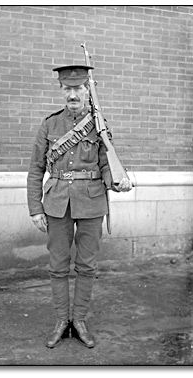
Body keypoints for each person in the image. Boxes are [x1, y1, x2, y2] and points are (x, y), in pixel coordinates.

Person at [27, 64, 132, 349]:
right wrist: (35, 208)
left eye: (78, 88)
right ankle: (62, 320)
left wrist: (117, 182)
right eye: (67, 89)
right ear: (61, 91)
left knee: (87, 266)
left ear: (88, 90)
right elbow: (36, 170)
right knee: (58, 266)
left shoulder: (99, 125)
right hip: (57, 203)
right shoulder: (49, 125)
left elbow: (106, 164)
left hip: (91, 202)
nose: (72, 94)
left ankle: (80, 321)